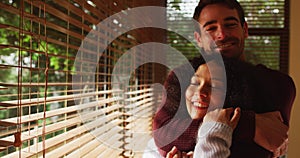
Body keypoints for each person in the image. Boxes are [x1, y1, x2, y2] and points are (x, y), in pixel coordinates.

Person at [152, 0, 296, 157]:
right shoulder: (182, 78)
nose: (221, 34)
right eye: (211, 28)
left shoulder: (276, 83)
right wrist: (248, 124)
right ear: (198, 38)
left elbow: (268, 145)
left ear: (245, 29)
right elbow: (164, 135)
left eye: (230, 25)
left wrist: (197, 138)